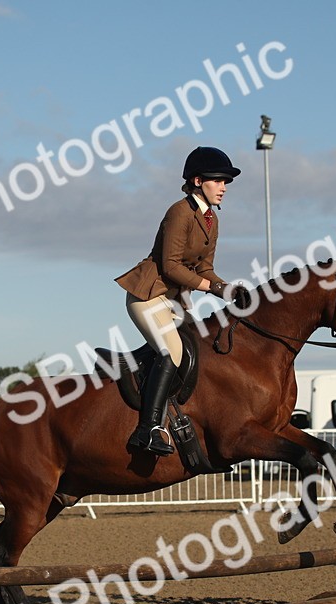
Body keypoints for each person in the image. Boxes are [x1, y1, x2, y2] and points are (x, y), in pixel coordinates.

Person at [114, 146, 245, 456]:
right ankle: (148, 429)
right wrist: (214, 290)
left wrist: (226, 286)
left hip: (172, 301)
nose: (224, 188)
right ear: (198, 181)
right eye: (218, 181)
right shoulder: (179, 212)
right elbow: (171, 266)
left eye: (226, 182)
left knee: (195, 345)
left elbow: (205, 269)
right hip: (147, 296)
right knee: (172, 350)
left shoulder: (211, 219)